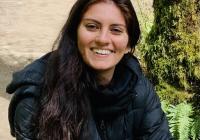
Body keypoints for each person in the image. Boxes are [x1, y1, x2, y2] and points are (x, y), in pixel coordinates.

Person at [6, 0, 173, 139]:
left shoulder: (137, 87)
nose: (102, 39)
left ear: (129, 43)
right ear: (75, 32)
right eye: (92, 26)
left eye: (116, 30)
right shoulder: (36, 93)